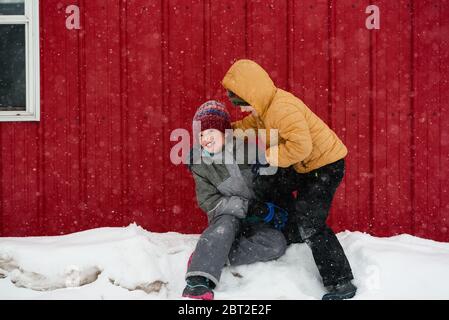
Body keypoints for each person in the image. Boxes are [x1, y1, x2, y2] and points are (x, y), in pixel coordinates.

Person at [222, 59, 357, 300]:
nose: (243, 110)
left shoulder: (282, 109)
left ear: (254, 95)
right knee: (267, 182)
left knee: (310, 221)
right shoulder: (264, 108)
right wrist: (228, 132)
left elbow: (301, 147)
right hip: (302, 164)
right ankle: (287, 228)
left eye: (244, 105)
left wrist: (268, 156)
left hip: (325, 166)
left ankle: (341, 281)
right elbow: (250, 126)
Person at [182, 100, 289, 300]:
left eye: (211, 133)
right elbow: (209, 202)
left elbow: (270, 181)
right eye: (201, 135)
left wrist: (271, 208)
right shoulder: (201, 164)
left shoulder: (249, 151)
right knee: (223, 229)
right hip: (226, 215)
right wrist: (247, 207)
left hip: (257, 218)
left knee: (276, 244)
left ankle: (214, 255)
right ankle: (198, 281)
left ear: (226, 133)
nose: (206, 139)